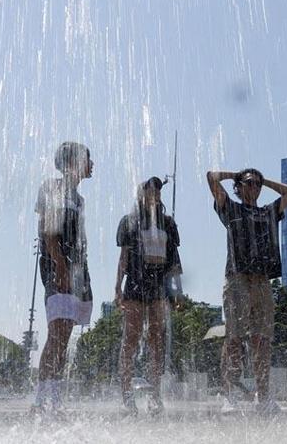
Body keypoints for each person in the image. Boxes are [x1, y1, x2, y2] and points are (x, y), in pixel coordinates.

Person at [206, 168, 287, 415]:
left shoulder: (268, 212)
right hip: (237, 279)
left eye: (257, 185)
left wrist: (263, 179)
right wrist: (237, 174)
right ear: (238, 186)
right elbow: (211, 177)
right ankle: (230, 395)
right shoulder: (231, 209)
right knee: (234, 338)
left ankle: (264, 397)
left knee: (262, 340)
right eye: (249, 183)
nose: (254, 188)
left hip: (262, 281)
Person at [31, 141, 94, 414]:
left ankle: (53, 400)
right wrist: (61, 267)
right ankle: (40, 401)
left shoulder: (79, 199)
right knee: (56, 334)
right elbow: (48, 231)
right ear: (74, 162)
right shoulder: (51, 187)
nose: (92, 165)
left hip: (77, 268)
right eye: (88, 160)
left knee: (65, 334)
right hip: (58, 268)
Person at [115, 177, 182, 416]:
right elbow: (123, 258)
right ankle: (126, 395)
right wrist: (117, 288)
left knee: (157, 339)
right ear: (140, 194)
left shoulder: (168, 222)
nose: (154, 192)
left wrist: (177, 292)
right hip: (135, 283)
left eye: (157, 189)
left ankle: (155, 395)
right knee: (131, 338)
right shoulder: (130, 221)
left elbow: (174, 260)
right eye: (149, 189)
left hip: (158, 285)